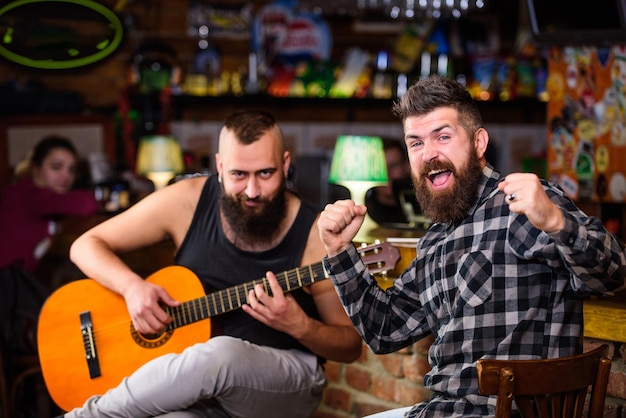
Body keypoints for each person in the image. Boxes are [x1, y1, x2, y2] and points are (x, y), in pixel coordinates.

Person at [317, 75, 626, 418]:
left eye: (443, 137)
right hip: (442, 410)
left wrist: (557, 222)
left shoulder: (525, 207)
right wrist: (339, 251)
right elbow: (384, 331)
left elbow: (613, 275)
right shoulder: (436, 238)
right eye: (416, 143)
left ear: (479, 143)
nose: (429, 154)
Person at [60, 109, 362, 418]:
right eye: (238, 175)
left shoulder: (315, 232)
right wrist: (131, 287)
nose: (252, 191)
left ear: (285, 165)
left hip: (287, 379)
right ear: (219, 166)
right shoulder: (186, 202)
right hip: (202, 385)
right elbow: (85, 246)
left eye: (266, 173)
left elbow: (350, 346)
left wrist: (301, 325)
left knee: (220, 354)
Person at [0, 135, 98, 274]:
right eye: (56, 167)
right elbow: (87, 204)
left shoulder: (43, 198)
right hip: (9, 282)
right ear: (36, 168)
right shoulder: (27, 193)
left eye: (71, 170)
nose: (65, 176)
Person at [364, 138, 413, 225]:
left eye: (393, 166)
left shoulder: (425, 207)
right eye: (381, 168)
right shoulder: (362, 211)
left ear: (407, 166)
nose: (387, 174)